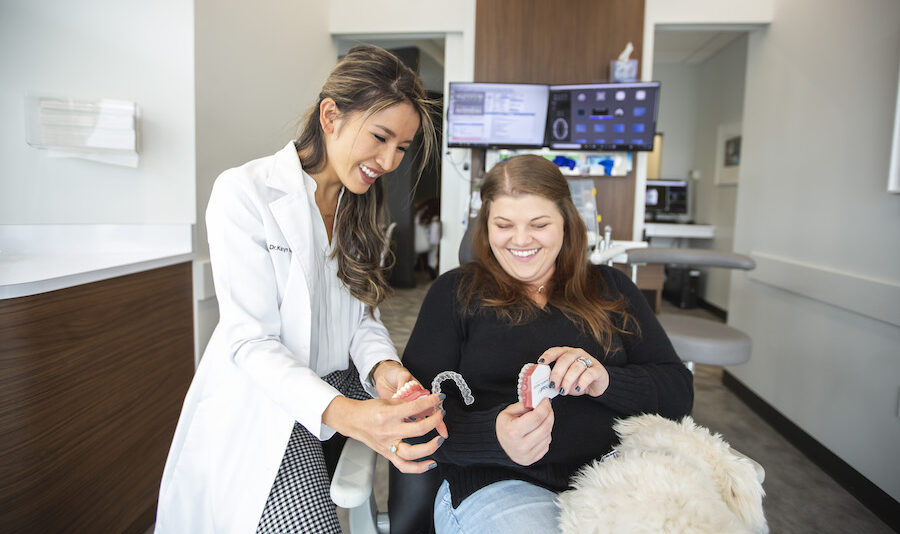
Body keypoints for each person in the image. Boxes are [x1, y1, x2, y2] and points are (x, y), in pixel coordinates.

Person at [155, 45, 447, 534]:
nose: (389, 160)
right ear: (330, 115)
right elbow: (251, 342)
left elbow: (364, 319)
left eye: (401, 146)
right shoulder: (244, 193)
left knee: (428, 421)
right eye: (380, 137)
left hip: (339, 380)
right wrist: (351, 417)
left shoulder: (364, 208)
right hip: (267, 401)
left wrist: (384, 368)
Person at [402, 154, 695, 534]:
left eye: (538, 224)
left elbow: (677, 393)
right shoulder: (454, 294)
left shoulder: (612, 288)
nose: (520, 241)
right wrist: (494, 438)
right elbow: (414, 419)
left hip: (618, 482)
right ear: (485, 226)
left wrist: (607, 381)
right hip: (499, 486)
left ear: (566, 223)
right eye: (503, 225)